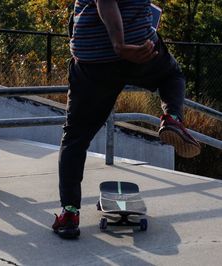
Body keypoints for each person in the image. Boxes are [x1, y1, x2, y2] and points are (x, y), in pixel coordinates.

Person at [52, 0, 201, 239]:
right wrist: (122, 43)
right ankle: (172, 118)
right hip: (141, 48)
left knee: (75, 138)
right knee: (171, 75)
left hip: (96, 60)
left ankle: (69, 213)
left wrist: (119, 45)